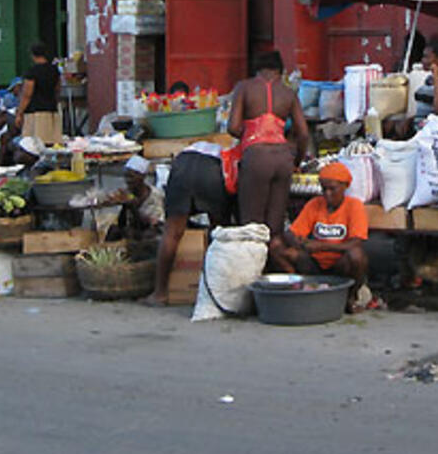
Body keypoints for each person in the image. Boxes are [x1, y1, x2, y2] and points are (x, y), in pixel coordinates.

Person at [142, 140, 235, 306]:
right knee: (219, 231)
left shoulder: (186, 152)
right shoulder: (228, 153)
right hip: (212, 172)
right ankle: (218, 291)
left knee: (172, 233)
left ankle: (160, 293)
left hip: (182, 171)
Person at [270, 162, 369, 311]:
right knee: (276, 246)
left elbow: (355, 243)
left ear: (344, 187)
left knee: (356, 256)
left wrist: (321, 246)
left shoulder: (354, 206)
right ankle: (299, 287)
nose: (327, 194)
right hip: (314, 263)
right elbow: (292, 233)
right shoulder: (315, 204)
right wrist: (301, 243)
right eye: (324, 189)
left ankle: (350, 297)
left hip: (339, 265)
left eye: (332, 189)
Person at [229, 50, 309, 233]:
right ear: (280, 71)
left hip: (256, 157)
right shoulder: (289, 93)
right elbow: (303, 133)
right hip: (283, 159)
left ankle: (254, 261)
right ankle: (274, 260)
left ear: (257, 69)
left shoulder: (244, 87)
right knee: (275, 225)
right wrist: (297, 160)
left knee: (252, 225)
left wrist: (251, 134)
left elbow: (233, 127)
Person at [107, 155, 165, 256]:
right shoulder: (129, 193)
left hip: (152, 233)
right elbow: (121, 223)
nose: (128, 180)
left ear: (142, 177)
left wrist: (132, 207)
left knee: (143, 236)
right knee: (114, 230)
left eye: (132, 177)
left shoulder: (154, 196)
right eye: (126, 176)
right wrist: (124, 205)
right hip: (135, 229)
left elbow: (150, 225)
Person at [16, 43, 62, 145]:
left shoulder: (32, 72)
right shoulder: (54, 70)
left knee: (34, 144)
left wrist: (20, 112)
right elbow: (58, 89)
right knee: (51, 142)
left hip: (35, 111)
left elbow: (27, 94)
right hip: (51, 110)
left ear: (33, 55)